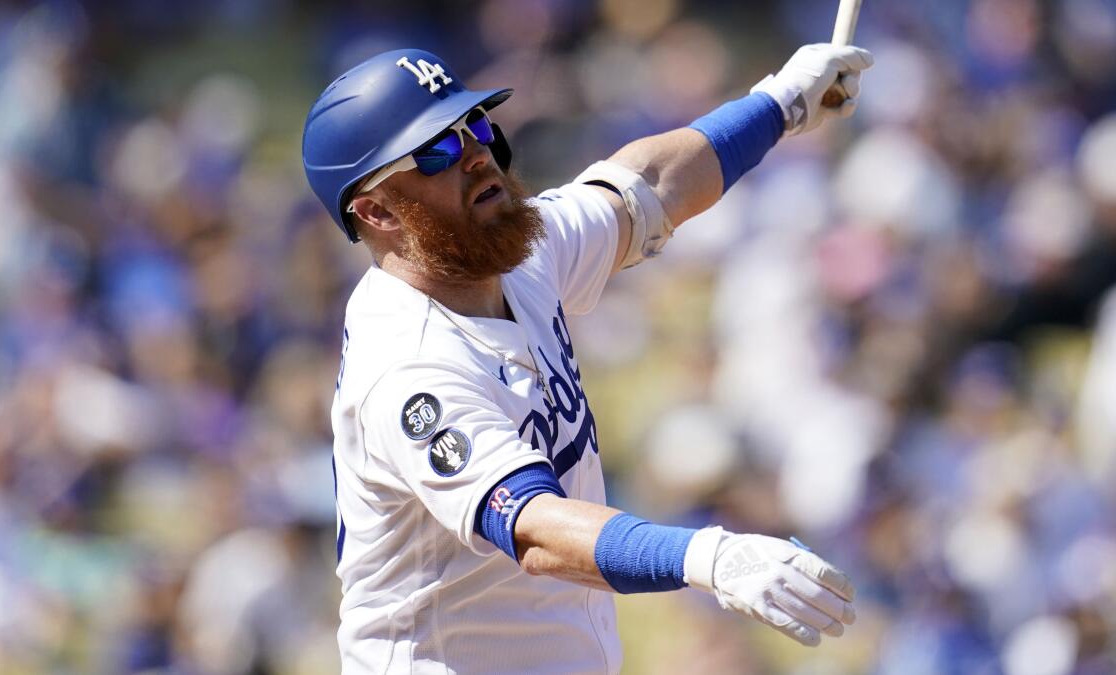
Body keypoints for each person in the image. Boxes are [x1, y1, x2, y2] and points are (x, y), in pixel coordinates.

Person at [302, 43, 873, 674]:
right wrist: (707, 557)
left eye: (476, 126)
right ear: (377, 210)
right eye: (436, 150)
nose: (475, 155)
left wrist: (781, 103)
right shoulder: (409, 368)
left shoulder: (512, 256)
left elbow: (649, 186)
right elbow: (533, 527)